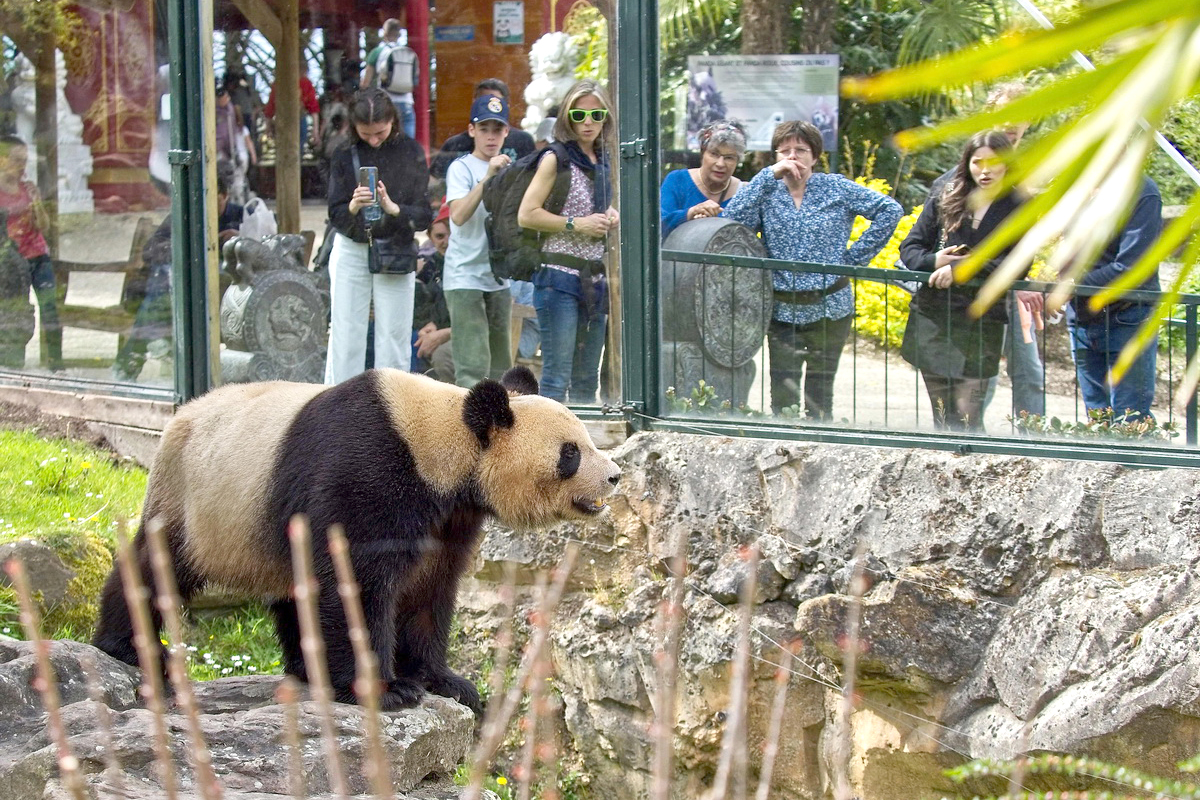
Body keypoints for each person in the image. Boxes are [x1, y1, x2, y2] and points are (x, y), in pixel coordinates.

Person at [724, 120, 901, 419]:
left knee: (820, 394)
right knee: (783, 393)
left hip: (830, 307)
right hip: (781, 309)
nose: (793, 157)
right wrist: (768, 176)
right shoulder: (766, 191)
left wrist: (853, 259)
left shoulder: (835, 188)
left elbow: (890, 210)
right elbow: (731, 221)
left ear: (815, 156)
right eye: (785, 151)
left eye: (801, 150)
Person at [898, 131, 1027, 431]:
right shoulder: (946, 192)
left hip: (983, 318)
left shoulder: (1020, 204)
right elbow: (910, 248)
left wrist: (962, 269)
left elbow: (1017, 264)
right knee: (944, 417)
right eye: (977, 162)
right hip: (935, 315)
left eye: (994, 162)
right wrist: (936, 261)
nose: (985, 170)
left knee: (969, 417)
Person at [517, 79, 618, 404]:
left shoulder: (605, 161)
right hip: (557, 277)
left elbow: (600, 209)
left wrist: (612, 216)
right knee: (556, 377)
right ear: (567, 117)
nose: (587, 122)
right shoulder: (555, 158)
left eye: (596, 114)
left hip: (594, 279)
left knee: (587, 379)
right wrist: (577, 224)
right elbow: (527, 214)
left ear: (606, 118)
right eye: (579, 114)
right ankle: (547, 450)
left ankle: (583, 449)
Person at [324, 88, 431, 384]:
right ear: (354, 127)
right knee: (346, 335)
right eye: (366, 133)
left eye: (380, 132)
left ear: (393, 121)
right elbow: (335, 214)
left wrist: (394, 209)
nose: (373, 139)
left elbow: (424, 215)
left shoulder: (410, 151)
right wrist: (353, 206)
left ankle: (391, 411)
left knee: (394, 336)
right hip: (353, 246)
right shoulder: (344, 153)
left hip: (395, 247)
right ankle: (338, 413)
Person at [113, 171, 244, 382]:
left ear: (225, 195)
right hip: (181, 293)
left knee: (156, 301)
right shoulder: (184, 216)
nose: (207, 208)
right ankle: (143, 352)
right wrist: (188, 245)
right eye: (203, 201)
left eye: (214, 201)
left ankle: (130, 362)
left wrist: (240, 240)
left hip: (224, 298)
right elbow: (151, 251)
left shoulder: (241, 215)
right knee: (162, 284)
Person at [1065, 176, 1163, 421]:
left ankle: (1135, 460)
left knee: (1130, 418)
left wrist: (1073, 285)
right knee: (1097, 418)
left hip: (1128, 315)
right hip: (1082, 316)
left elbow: (1131, 266)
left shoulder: (1141, 190)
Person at [443, 93, 514, 387]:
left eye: (497, 130)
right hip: (464, 276)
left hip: (499, 277)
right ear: (471, 130)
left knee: (502, 369)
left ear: (506, 132)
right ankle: (468, 431)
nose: (490, 137)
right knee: (472, 368)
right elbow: (457, 215)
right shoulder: (460, 168)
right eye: (484, 129)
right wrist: (488, 177)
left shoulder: (513, 168)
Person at [0, 134, 62, 371]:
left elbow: (43, 227)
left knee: (50, 308)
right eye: (16, 160)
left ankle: (56, 363)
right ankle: (15, 361)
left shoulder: (27, 188)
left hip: (37, 255)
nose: (21, 166)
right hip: (13, 261)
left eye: (25, 160)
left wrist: (36, 202)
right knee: (19, 309)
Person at [430, 79, 536, 181]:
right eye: (482, 102)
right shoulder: (455, 144)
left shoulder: (523, 141)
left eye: (495, 103)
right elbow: (434, 179)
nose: (488, 106)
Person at [660, 119, 746, 238]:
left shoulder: (744, 192)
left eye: (729, 157)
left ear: (737, 161)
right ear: (702, 154)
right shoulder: (678, 180)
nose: (720, 164)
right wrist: (691, 213)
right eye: (714, 154)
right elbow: (658, 226)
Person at [413, 203, 453, 383]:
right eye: (440, 236)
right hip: (431, 328)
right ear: (430, 237)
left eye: (451, 235)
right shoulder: (429, 267)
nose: (446, 242)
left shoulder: (467, 267)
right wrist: (429, 324)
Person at [361, 18, 418, 138]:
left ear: (384, 33)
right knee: (408, 143)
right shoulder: (408, 52)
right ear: (399, 34)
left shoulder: (377, 52)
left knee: (387, 141)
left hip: (386, 102)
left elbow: (365, 83)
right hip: (406, 102)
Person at [215, 79, 256, 204]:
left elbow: (243, 139)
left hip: (232, 151)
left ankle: (238, 204)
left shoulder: (231, 111)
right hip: (218, 151)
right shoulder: (214, 111)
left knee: (237, 182)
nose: (225, 98)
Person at [264, 71, 321, 159]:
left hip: (299, 119)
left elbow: (313, 108)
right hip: (283, 121)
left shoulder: (305, 83)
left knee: (297, 152)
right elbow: (270, 107)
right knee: (285, 151)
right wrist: (268, 127)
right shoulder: (278, 84)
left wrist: (315, 131)